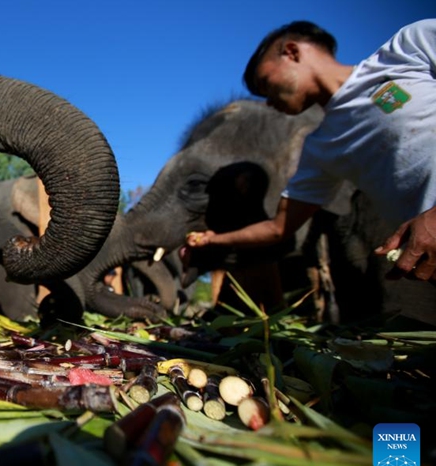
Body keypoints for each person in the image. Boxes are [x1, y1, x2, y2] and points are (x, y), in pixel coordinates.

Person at [184, 19, 436, 282]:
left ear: (291, 52)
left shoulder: (408, 49)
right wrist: (215, 239)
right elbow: (278, 228)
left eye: (266, 84)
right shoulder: (320, 147)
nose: (268, 102)